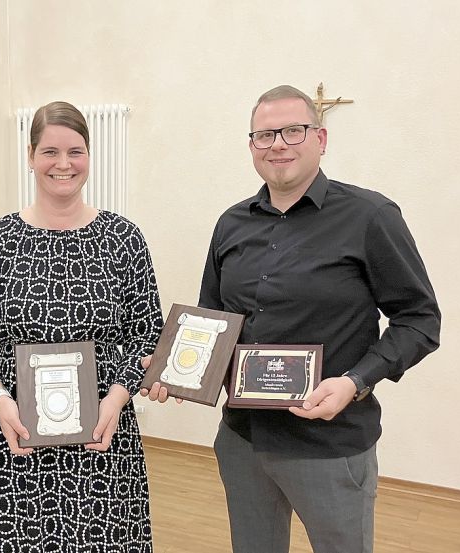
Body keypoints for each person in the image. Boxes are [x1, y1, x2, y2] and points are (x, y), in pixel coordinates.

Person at [142, 85, 441, 553]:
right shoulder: (231, 224)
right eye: (264, 135)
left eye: (292, 131)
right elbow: (212, 322)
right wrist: (178, 372)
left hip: (331, 445)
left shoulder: (371, 216)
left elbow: (420, 320)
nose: (278, 143)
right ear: (251, 147)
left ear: (321, 139)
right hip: (243, 441)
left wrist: (355, 381)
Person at [0, 101, 163, 553]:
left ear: (89, 156)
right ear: (30, 157)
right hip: (15, 440)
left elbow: (147, 334)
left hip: (103, 441)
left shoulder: (124, 239)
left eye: (75, 151)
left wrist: (118, 399)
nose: (63, 164)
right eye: (49, 152)